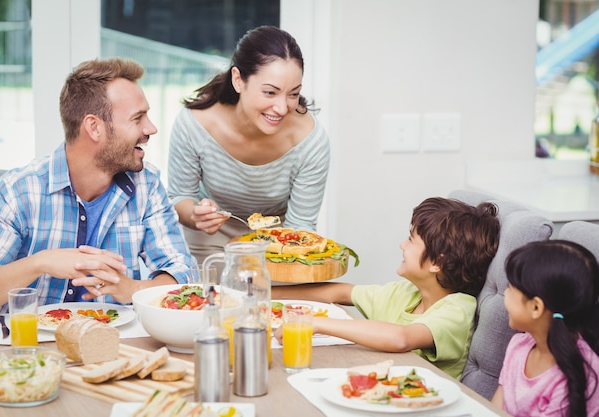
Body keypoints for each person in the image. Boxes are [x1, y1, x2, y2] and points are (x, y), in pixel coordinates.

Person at [0, 58, 197, 320]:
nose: (151, 128)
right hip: (31, 350)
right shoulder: (17, 192)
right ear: (94, 127)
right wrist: (41, 262)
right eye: (138, 118)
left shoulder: (147, 186)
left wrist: (133, 289)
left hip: (115, 346)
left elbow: (183, 275)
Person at [272, 196, 501, 379]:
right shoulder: (405, 294)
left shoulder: (458, 309)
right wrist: (267, 293)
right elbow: (339, 292)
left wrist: (314, 322)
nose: (402, 244)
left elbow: (401, 338)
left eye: (411, 240)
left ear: (437, 262)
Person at [167, 25, 330, 265]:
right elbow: (180, 196)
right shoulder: (195, 125)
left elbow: (301, 226)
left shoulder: (310, 142)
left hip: (279, 243)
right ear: (238, 80)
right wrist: (196, 214)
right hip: (209, 242)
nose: (282, 108)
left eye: (293, 94)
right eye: (270, 93)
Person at [492, 240, 599, 417]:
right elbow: (494, 409)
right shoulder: (519, 345)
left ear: (536, 307)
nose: (505, 294)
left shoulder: (577, 375)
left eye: (510, 289)